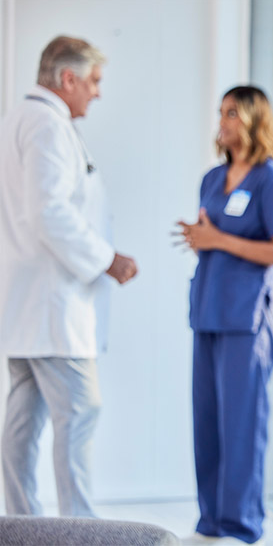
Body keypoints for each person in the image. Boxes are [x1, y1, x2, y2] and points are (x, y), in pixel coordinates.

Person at [0, 35, 138, 517]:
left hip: (29, 304)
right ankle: (78, 530)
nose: (97, 93)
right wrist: (107, 259)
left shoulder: (24, 117)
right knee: (81, 413)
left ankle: (19, 524)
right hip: (52, 305)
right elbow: (51, 213)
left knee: (23, 422)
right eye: (94, 82)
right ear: (68, 78)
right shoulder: (46, 125)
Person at [175, 85, 273, 545]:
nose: (223, 120)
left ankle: (241, 525)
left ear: (253, 119)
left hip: (247, 318)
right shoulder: (212, 179)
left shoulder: (272, 180)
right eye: (221, 112)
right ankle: (210, 521)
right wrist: (200, 237)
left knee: (242, 424)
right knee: (207, 421)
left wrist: (217, 241)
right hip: (208, 310)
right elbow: (211, 236)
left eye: (232, 112)